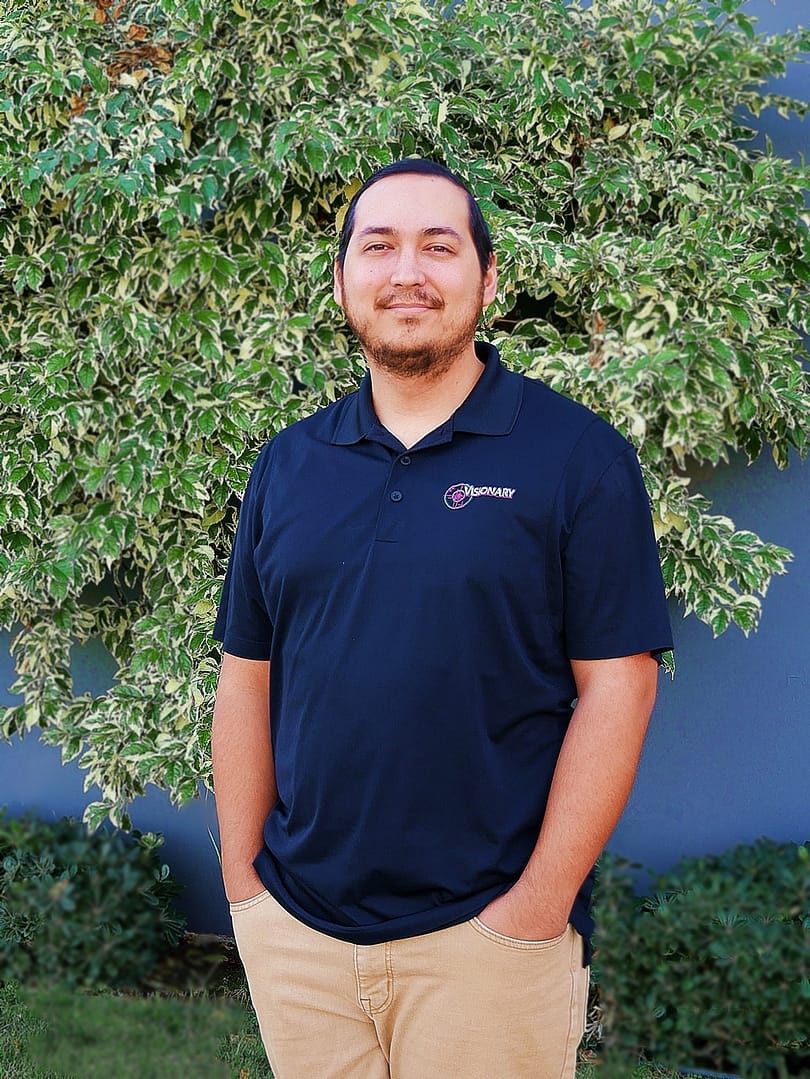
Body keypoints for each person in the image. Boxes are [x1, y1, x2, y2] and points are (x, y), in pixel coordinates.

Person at [212, 157, 673, 1079]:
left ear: (486, 277)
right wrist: (244, 891)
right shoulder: (289, 464)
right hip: (298, 937)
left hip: (484, 943)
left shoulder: (577, 457)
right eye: (377, 246)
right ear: (343, 279)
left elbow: (619, 686)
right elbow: (247, 675)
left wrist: (533, 911)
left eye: (439, 245)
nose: (406, 271)